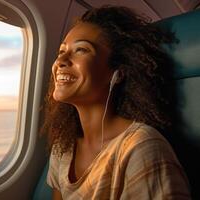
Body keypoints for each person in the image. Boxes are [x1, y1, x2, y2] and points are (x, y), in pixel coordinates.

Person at [42, 5, 191, 200]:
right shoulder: (64, 147)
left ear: (117, 73)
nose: (61, 60)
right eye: (61, 51)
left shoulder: (141, 149)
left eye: (81, 50)